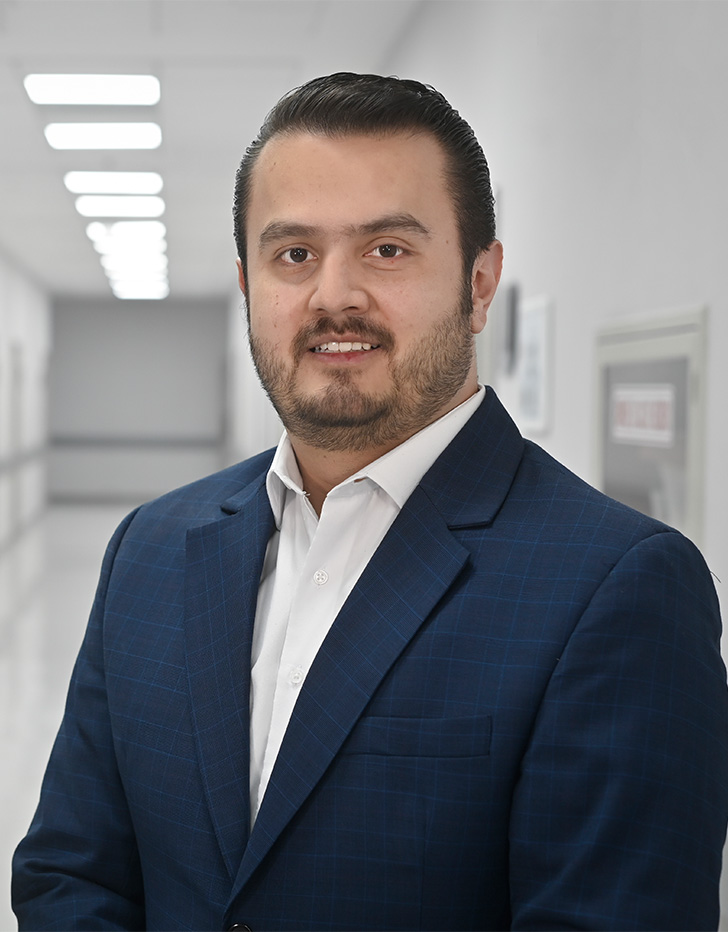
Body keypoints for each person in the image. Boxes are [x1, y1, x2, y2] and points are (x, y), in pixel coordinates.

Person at [12, 72, 728, 932]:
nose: (334, 295)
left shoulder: (619, 589)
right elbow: (69, 871)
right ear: (248, 282)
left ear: (479, 281)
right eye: (294, 254)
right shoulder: (154, 549)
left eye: (388, 249)